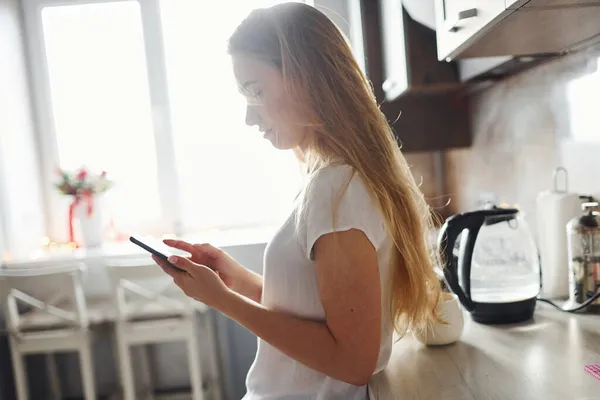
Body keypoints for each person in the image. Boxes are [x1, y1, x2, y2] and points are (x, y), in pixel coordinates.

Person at [152, 2, 442, 399]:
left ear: (306, 77)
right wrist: (238, 282)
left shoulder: (337, 189)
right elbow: (318, 314)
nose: (250, 118)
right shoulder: (335, 181)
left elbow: (352, 362)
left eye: (255, 91)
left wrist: (221, 301)